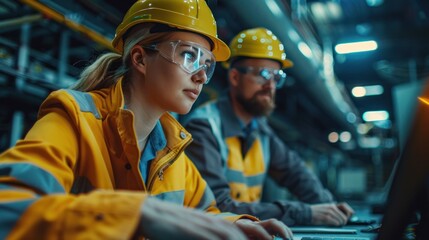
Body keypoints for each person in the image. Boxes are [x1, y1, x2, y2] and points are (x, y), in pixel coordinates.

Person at [0, 2, 294, 239]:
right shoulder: (74, 120)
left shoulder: (171, 151)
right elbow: (8, 207)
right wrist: (132, 213)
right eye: (190, 56)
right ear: (140, 59)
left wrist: (237, 224)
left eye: (207, 64)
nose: (202, 76)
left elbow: (206, 214)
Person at [183, 27, 355, 227]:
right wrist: (304, 213)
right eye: (263, 74)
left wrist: (329, 207)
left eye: (276, 77)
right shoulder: (204, 127)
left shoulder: (260, 131)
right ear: (235, 77)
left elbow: (295, 173)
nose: (270, 85)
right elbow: (218, 207)